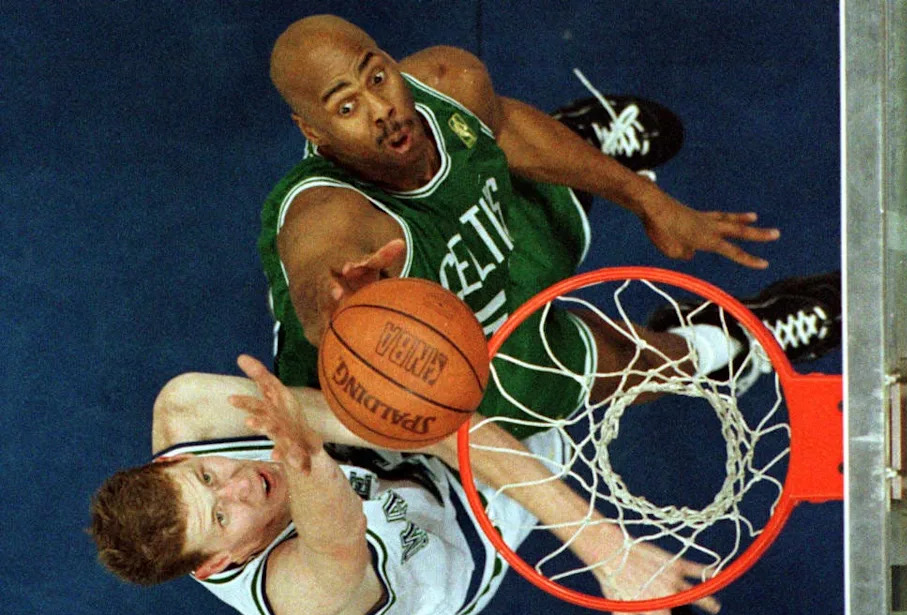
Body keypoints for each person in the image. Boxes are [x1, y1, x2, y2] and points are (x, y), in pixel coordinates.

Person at [257, 14, 814, 437]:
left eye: (377, 77)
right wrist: (335, 305)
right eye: (347, 108)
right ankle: (732, 344)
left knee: (529, 178)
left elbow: (507, 129)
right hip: (439, 355)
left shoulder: (449, 82)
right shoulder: (328, 212)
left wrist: (646, 199)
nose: (381, 108)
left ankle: (576, 132)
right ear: (314, 132)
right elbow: (315, 266)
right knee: (630, 364)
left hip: (493, 236)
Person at [90, 355, 721, 615]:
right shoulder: (296, 596)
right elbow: (337, 530)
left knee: (375, 318)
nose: (241, 484)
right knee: (556, 392)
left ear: (168, 462)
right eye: (222, 517)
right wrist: (608, 551)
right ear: (217, 561)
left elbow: (436, 426)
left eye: (208, 474)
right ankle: (724, 349)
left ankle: (512, 164)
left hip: (369, 456)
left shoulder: (189, 408)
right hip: (456, 536)